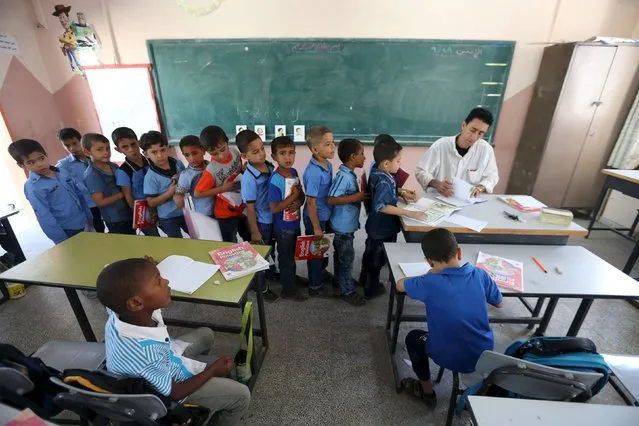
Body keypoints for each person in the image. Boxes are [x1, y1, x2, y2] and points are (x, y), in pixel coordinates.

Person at [97, 257, 250, 426]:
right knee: (242, 395)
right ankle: (205, 406)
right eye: (158, 281)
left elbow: (110, 272)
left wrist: (146, 268)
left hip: (168, 357)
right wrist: (212, 371)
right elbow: (174, 393)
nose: (167, 281)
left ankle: (208, 384)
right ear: (135, 303)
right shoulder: (146, 354)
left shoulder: (119, 309)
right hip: (172, 390)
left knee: (206, 334)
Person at [395, 228, 504, 406]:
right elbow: (499, 303)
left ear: (429, 262)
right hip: (484, 354)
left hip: (446, 356)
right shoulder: (480, 274)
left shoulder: (430, 282)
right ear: (459, 252)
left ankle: (426, 390)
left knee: (413, 338)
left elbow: (400, 285)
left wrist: (428, 275)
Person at [361, 135, 425, 299]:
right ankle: (371, 289)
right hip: (382, 228)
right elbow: (381, 206)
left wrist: (399, 192)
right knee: (375, 260)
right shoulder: (384, 180)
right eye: (398, 161)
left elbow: (383, 195)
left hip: (377, 227)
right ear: (386, 163)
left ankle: (364, 279)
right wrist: (409, 212)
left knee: (371, 254)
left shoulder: (377, 171)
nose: (400, 164)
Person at [7, 139, 91, 244]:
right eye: (31, 162)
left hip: (84, 221)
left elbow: (79, 195)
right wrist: (61, 240)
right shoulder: (33, 187)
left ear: (46, 155)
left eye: (41, 158)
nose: (39, 164)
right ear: (21, 165)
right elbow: (44, 216)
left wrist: (89, 217)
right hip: (68, 230)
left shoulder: (61, 171)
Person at [415, 107, 499, 197]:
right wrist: (437, 184)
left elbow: (492, 177)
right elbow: (421, 172)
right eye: (473, 130)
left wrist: (480, 187)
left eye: (480, 133)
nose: (474, 137)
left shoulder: (486, 149)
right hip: (439, 198)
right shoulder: (441, 145)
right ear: (463, 125)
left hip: (468, 201)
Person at [237, 130, 279, 302]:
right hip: (261, 222)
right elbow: (250, 208)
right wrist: (254, 232)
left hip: (273, 217)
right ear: (244, 155)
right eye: (255, 152)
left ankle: (270, 273)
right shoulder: (249, 178)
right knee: (259, 256)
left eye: (262, 148)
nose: (261, 153)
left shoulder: (268, 166)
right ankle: (260, 287)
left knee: (270, 250)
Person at [327, 138, 366, 306]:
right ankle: (347, 290)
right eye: (362, 154)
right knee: (347, 259)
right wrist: (356, 197)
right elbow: (331, 199)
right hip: (341, 228)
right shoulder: (344, 176)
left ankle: (340, 281)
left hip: (346, 225)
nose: (364, 157)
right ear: (352, 157)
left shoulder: (349, 174)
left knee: (342, 257)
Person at [268, 136, 307, 301]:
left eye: (291, 153)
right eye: (283, 153)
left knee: (292, 255)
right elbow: (274, 208)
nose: (288, 157)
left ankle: (290, 278)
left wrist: (298, 202)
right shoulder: (275, 180)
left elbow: (301, 195)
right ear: (274, 157)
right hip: (283, 227)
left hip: (294, 223)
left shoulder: (294, 172)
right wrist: (294, 198)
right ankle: (287, 290)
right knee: (285, 258)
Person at [195, 126, 249, 243]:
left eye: (223, 149)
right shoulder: (211, 169)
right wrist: (223, 188)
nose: (220, 155)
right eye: (214, 153)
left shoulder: (234, 152)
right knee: (230, 244)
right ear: (206, 152)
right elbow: (198, 193)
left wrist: (243, 170)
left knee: (249, 237)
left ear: (227, 141)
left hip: (241, 206)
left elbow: (238, 169)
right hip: (225, 214)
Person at [303, 126, 336, 297]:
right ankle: (315, 286)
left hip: (325, 213)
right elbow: (310, 203)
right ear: (315, 149)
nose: (333, 148)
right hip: (315, 217)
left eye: (333, 143)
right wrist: (316, 227)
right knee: (315, 252)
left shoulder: (327, 164)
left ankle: (321, 273)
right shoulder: (314, 172)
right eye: (328, 144)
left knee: (323, 248)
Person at [82, 133, 133, 235]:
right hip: (115, 219)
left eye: (107, 148)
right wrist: (122, 194)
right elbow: (100, 202)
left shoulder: (113, 166)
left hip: (127, 213)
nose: (106, 152)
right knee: (124, 246)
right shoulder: (92, 174)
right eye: (100, 149)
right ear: (87, 152)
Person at [56, 128, 105, 233]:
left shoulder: (95, 156)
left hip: (106, 198)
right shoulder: (64, 165)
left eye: (74, 143)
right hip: (88, 204)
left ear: (81, 140)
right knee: (97, 229)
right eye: (67, 145)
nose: (72, 148)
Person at [113, 127, 160, 237]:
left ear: (138, 142)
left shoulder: (151, 160)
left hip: (160, 202)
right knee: (154, 238)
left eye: (133, 144)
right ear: (118, 149)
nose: (131, 149)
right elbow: (128, 196)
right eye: (125, 147)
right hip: (143, 210)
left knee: (172, 231)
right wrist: (139, 215)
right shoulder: (123, 171)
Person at [141, 131, 188, 238]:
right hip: (168, 218)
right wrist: (169, 193)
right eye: (154, 152)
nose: (160, 155)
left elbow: (187, 180)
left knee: (197, 237)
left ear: (168, 148)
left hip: (186, 212)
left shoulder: (177, 163)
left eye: (163, 150)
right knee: (177, 244)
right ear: (146, 154)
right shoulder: (150, 177)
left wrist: (181, 175)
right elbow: (151, 202)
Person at [174, 135, 213, 216]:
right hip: (204, 213)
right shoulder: (186, 175)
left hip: (220, 209)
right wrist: (178, 198)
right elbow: (179, 192)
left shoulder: (211, 165)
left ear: (203, 150)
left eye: (195, 153)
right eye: (187, 155)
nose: (191, 158)